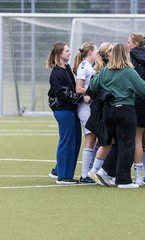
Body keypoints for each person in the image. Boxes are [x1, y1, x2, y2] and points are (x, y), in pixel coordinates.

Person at [90, 44, 145, 189]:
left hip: (109, 111)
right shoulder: (129, 72)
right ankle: (123, 180)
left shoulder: (106, 71)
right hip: (125, 110)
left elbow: (93, 85)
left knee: (119, 143)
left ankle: (106, 171)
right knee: (127, 144)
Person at [47, 41, 90, 184]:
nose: (69, 53)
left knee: (75, 140)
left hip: (70, 110)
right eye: (66, 51)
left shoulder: (66, 68)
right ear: (59, 54)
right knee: (67, 142)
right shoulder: (57, 73)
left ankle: (59, 170)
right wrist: (82, 98)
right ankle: (63, 177)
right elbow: (64, 94)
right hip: (63, 110)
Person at [85, 42, 115, 185]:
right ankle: (94, 172)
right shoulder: (101, 71)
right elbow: (91, 91)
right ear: (106, 54)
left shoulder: (107, 70)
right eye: (111, 50)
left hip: (103, 109)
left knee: (104, 141)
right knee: (106, 141)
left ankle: (100, 171)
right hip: (101, 109)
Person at [128, 33, 145, 185]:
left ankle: (137, 175)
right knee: (144, 138)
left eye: (129, 42)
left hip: (132, 99)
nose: (127, 45)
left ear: (135, 44)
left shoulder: (130, 56)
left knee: (135, 139)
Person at [72, 42, 97, 184]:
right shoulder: (84, 66)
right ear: (90, 53)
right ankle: (85, 175)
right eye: (96, 51)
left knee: (93, 140)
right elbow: (78, 88)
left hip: (90, 108)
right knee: (89, 140)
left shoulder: (88, 66)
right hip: (85, 108)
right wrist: (91, 93)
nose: (97, 54)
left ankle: (91, 172)